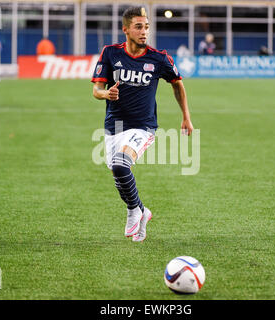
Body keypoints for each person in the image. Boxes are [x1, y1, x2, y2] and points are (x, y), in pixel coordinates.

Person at [91, 6, 193, 242]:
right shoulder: (110, 53)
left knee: (120, 164)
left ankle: (132, 211)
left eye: (146, 26)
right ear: (125, 29)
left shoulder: (159, 58)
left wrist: (185, 116)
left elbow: (178, 84)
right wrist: (106, 95)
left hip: (143, 126)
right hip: (113, 127)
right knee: (119, 174)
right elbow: (96, 90)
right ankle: (142, 212)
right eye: (138, 26)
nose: (144, 31)